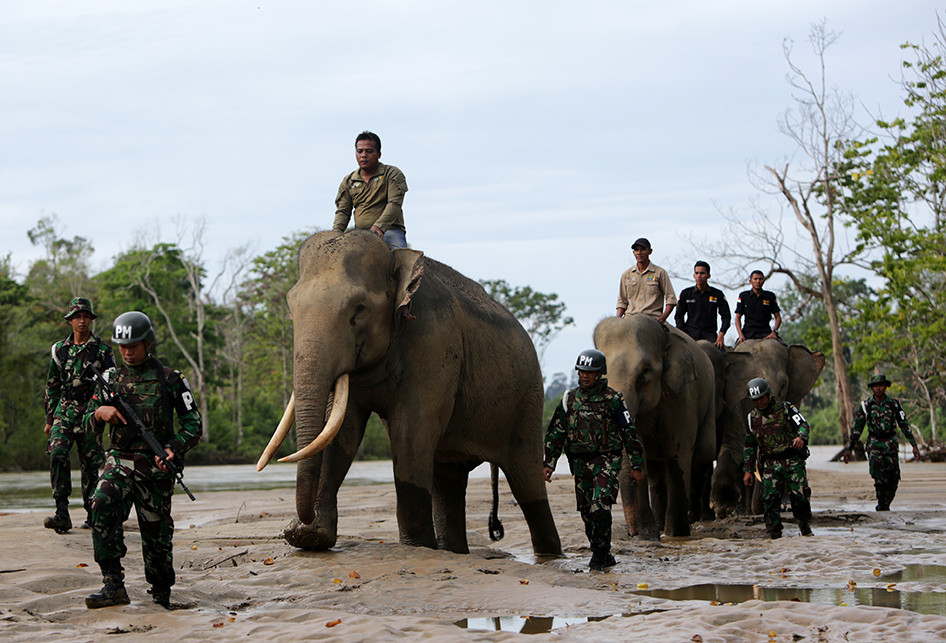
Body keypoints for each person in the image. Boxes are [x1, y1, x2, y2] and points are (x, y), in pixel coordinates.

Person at [82, 311, 202, 609]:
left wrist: (174, 448)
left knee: (156, 533)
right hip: (119, 461)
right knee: (101, 504)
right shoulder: (109, 378)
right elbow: (86, 422)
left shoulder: (171, 379)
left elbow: (193, 424)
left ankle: (161, 592)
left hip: (156, 466)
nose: (127, 352)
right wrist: (100, 414)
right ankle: (113, 584)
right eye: (122, 346)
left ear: (148, 343)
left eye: (133, 345)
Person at [543, 349, 645, 571]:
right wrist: (548, 463)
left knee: (600, 506)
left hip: (607, 461)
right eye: (581, 371)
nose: (584, 375)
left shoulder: (614, 400)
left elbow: (629, 433)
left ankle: (599, 556)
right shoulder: (569, 399)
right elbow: (556, 433)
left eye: (590, 372)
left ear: (600, 374)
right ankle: (603, 551)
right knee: (587, 512)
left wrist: (636, 466)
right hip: (579, 464)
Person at [43, 297, 115, 534]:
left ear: (91, 319)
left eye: (85, 317)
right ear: (70, 321)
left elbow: (110, 385)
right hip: (64, 412)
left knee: (90, 463)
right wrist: (49, 418)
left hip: (91, 413)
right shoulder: (59, 349)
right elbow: (52, 385)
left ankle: (92, 512)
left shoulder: (102, 351)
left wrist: (101, 412)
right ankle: (62, 512)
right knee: (57, 453)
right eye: (77, 317)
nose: (82, 321)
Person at [742, 377, 813, 539]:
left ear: (768, 395)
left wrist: (801, 437)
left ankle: (804, 526)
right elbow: (750, 446)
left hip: (792, 460)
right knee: (769, 499)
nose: (759, 402)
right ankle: (774, 534)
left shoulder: (786, 409)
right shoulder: (752, 418)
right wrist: (748, 470)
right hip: (770, 463)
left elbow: (803, 424)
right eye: (755, 400)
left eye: (761, 398)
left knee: (800, 497)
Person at [843, 374, 921, 511]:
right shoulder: (866, 406)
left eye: (881, 385)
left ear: (885, 387)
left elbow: (904, 424)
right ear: (872, 388)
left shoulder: (894, 404)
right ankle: (883, 506)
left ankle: (885, 504)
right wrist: (849, 448)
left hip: (890, 443)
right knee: (879, 478)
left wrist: (914, 445)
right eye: (875, 386)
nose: (878, 388)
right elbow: (857, 428)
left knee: (894, 478)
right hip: (874, 444)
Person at [332, 130, 409, 250]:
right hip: (359, 233)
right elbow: (343, 211)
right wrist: (335, 235)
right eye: (360, 151)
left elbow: (394, 204)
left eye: (369, 151)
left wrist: (379, 227)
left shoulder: (392, 174)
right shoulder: (348, 181)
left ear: (379, 154)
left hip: (389, 230)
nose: (363, 155)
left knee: (403, 259)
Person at [615, 238, 676, 323]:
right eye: (636, 250)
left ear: (650, 251)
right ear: (633, 253)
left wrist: (663, 317)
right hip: (630, 318)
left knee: (679, 335)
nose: (639, 253)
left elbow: (671, 298)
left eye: (643, 249)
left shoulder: (660, 273)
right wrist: (617, 320)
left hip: (652, 318)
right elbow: (622, 301)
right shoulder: (627, 274)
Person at [674, 260, 731, 348]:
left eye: (702, 273)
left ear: (708, 276)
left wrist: (721, 334)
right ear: (694, 275)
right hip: (690, 335)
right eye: (696, 273)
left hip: (710, 336)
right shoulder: (686, 293)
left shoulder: (717, 294)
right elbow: (678, 316)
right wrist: (683, 333)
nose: (699, 276)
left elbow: (726, 316)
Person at [734, 270, 781, 343]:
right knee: (734, 352)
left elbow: (778, 317)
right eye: (755, 279)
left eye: (760, 279)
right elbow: (737, 317)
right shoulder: (743, 296)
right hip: (748, 333)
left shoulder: (770, 296)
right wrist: (740, 335)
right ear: (750, 281)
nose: (758, 281)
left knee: (784, 348)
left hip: (766, 333)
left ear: (764, 281)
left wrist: (774, 332)